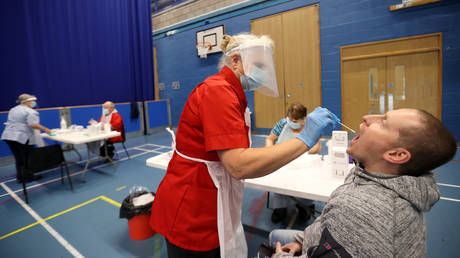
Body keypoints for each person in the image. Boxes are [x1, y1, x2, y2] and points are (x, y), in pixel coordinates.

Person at [149, 33, 340, 258]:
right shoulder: (218, 90)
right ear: (236, 60)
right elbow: (238, 165)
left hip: (208, 198)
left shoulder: (231, 92)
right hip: (193, 208)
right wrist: (304, 140)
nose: (262, 72)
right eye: (258, 64)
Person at [270, 108, 457, 258]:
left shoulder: (359, 212)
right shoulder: (370, 174)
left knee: (273, 237)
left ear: (396, 155)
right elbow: (328, 224)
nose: (367, 117)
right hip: (318, 240)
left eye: (383, 122)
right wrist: (304, 240)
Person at [265, 103, 321, 223]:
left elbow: (317, 147)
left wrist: (304, 150)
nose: (292, 122)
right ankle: (280, 208)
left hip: (303, 163)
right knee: (279, 182)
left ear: (304, 119)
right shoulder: (282, 124)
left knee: (305, 183)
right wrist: (270, 150)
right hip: (282, 161)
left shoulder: (311, 127)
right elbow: (270, 139)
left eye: (295, 120)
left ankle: (305, 206)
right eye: (290, 119)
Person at [1, 94, 51, 183]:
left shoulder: (13, 109)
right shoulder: (31, 112)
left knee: (18, 157)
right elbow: (33, 125)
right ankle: (28, 177)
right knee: (27, 158)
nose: (33, 103)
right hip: (21, 137)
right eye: (32, 101)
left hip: (8, 136)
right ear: (27, 101)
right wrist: (46, 129)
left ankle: (20, 177)